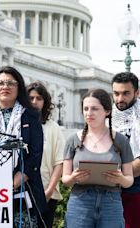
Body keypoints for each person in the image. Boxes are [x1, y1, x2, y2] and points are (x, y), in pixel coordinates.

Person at [0, 66, 47, 227]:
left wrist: (15, 180)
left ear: (19, 88)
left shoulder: (30, 116)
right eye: (1, 83)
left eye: (11, 83)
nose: (5, 87)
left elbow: (35, 154)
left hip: (23, 190)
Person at [62, 88, 134, 227]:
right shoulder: (72, 140)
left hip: (111, 203)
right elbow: (65, 179)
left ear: (107, 111)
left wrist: (121, 179)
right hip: (80, 202)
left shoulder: (121, 141)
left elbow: (129, 180)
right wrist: (74, 178)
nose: (89, 113)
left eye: (94, 109)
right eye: (86, 109)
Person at [27, 82, 65, 228]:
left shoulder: (53, 127)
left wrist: (48, 191)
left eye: (39, 98)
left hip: (47, 194)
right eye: (31, 98)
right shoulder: (19, 124)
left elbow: (59, 162)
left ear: (45, 102)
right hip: (22, 193)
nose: (34, 102)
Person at [110, 72, 140, 228]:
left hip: (134, 188)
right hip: (107, 188)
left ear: (137, 93)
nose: (120, 99)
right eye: (116, 93)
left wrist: (119, 176)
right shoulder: (106, 115)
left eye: (126, 93)